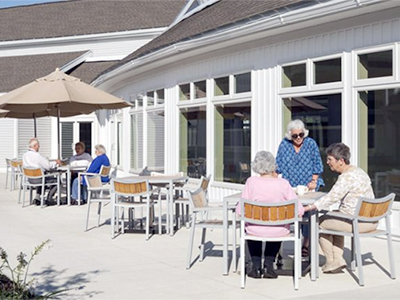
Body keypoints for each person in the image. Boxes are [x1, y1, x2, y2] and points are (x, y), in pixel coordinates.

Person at [304, 143, 376, 274]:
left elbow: (331, 197)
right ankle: (337, 259)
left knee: (318, 223)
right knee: (334, 217)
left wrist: (308, 208)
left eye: (330, 159)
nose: (327, 162)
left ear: (341, 161)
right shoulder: (359, 171)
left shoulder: (346, 177)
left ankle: (332, 260)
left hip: (358, 222)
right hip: (371, 221)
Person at [237, 151, 304, 279]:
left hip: (254, 230)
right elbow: (299, 209)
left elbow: (240, 210)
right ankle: (269, 265)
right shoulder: (283, 183)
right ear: (273, 165)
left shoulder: (251, 182)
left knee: (251, 225)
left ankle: (256, 267)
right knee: (277, 227)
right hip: (278, 230)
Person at [276, 119, 324, 256]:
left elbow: (317, 164)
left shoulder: (310, 143)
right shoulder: (284, 144)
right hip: (289, 184)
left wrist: (314, 181)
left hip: (308, 184)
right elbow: (277, 165)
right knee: (285, 212)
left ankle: (306, 244)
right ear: (289, 136)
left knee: (307, 213)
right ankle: (278, 244)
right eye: (294, 136)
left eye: (300, 135)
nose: (298, 138)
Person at [22, 137, 61, 205]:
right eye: (38, 145)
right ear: (34, 146)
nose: (39, 146)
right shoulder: (37, 155)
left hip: (30, 179)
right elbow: (48, 166)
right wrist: (56, 163)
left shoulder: (25, 155)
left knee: (42, 176)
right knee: (57, 180)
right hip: (39, 178)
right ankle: (49, 198)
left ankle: (37, 197)